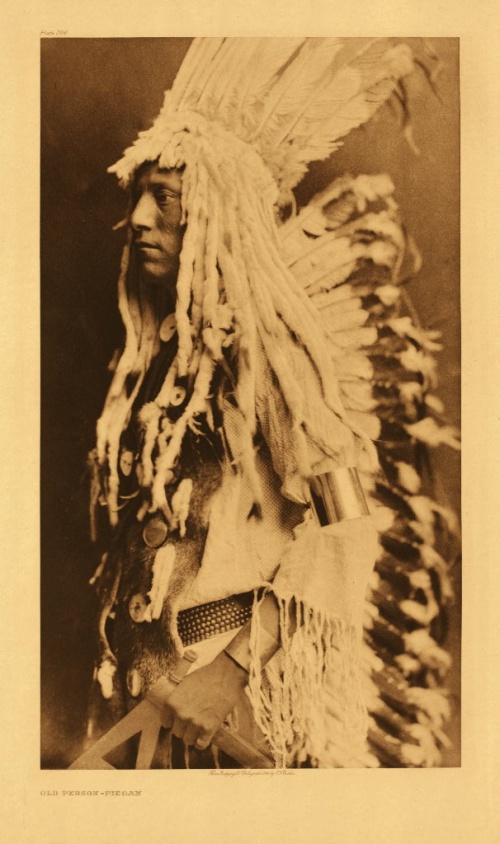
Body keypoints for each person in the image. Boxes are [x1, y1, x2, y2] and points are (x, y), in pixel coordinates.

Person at [78, 37, 459, 769]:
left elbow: (348, 525)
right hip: (154, 698)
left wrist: (231, 671)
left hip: (236, 707)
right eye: (138, 195)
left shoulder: (278, 360)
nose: (141, 218)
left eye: (165, 195)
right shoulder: (162, 355)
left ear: (220, 213)